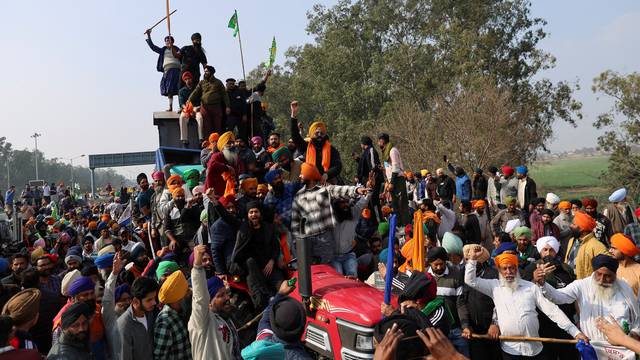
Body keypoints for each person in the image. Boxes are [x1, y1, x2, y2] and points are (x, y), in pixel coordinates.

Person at [465, 246, 587, 359]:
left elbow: (552, 311)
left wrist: (575, 333)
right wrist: (473, 259)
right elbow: (470, 281)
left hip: (534, 349)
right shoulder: (494, 286)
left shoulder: (531, 288)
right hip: (510, 350)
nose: (508, 272)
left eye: (512, 268)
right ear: (500, 271)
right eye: (505, 268)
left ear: (517, 269)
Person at [535, 254, 639, 348]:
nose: (602, 280)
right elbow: (558, 297)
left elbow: (637, 317)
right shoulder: (581, 285)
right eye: (599, 274)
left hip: (622, 348)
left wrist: (635, 333)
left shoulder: (624, 287)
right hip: (592, 347)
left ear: (615, 275)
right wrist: (542, 283)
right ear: (594, 272)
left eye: (607, 276)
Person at [291, 163, 369, 264]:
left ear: (309, 175)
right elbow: (296, 221)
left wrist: (357, 190)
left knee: (327, 268)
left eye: (302, 173)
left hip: (325, 238)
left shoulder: (324, 190)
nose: (300, 176)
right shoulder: (299, 196)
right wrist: (297, 241)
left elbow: (340, 190)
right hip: (308, 240)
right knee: (311, 270)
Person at [521, 236, 579, 360]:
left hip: (566, 321)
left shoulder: (565, 268)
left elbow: (575, 294)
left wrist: (578, 317)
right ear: (540, 251)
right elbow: (522, 293)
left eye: (551, 250)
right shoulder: (532, 268)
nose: (548, 253)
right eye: (545, 250)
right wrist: (534, 280)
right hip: (544, 323)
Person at [189, 245, 241, 360]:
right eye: (220, 296)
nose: (227, 298)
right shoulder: (202, 321)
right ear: (209, 302)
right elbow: (200, 298)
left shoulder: (225, 319)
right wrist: (197, 267)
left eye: (226, 293)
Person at [230, 202, 282, 309]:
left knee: (282, 286)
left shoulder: (268, 228)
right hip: (252, 270)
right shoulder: (244, 230)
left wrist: (272, 260)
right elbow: (227, 217)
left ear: (260, 213)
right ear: (248, 215)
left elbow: (275, 246)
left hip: (269, 266)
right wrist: (215, 203)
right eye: (251, 212)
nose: (254, 214)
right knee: (261, 298)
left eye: (256, 212)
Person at [243, 280, 311, 359]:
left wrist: (280, 293)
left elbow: (266, 317)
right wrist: (280, 294)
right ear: (303, 329)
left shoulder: (263, 340)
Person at [459, 245, 501, 359]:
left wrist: (495, 324)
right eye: (467, 259)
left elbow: (500, 302)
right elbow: (461, 302)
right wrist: (465, 325)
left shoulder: (493, 275)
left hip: (494, 332)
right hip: (474, 332)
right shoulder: (461, 274)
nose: (469, 263)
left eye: (473, 259)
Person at [426, 247, 469, 357]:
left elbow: (460, 303)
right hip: (436, 333)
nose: (439, 267)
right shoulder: (425, 277)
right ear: (430, 263)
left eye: (442, 264)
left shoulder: (456, 275)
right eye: (436, 265)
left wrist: (465, 326)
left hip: (455, 330)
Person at [289, 101, 342, 184]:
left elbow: (337, 166)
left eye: (322, 133)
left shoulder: (332, 149)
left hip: (326, 180)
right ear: (311, 135)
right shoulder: (306, 146)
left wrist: (326, 174)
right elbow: (295, 136)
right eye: (317, 133)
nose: (319, 135)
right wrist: (293, 115)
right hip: (309, 181)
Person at [117, 276, 158, 360]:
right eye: (149, 300)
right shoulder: (124, 325)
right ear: (136, 301)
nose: (154, 302)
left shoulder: (150, 313)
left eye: (154, 298)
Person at [154, 271, 191, 360]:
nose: (189, 293)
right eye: (186, 291)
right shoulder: (164, 322)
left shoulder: (180, 312)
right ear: (178, 298)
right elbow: (160, 357)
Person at [331, 191, 371, 277]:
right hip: (333, 257)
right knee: (338, 277)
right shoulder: (330, 217)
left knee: (352, 276)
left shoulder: (354, 214)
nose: (346, 204)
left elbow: (364, 201)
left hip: (348, 254)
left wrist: (369, 190)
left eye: (347, 202)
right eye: (342, 202)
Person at [187, 65, 231, 136]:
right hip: (205, 108)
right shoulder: (202, 82)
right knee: (207, 127)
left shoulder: (218, 82)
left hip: (216, 107)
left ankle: (217, 144)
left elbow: (224, 95)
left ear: (211, 72)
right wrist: (189, 100)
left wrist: (228, 106)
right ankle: (208, 144)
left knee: (217, 126)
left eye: (207, 71)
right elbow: (195, 92)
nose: (205, 73)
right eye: (204, 71)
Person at [145, 29, 181, 112]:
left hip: (176, 70)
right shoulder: (163, 50)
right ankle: (170, 106)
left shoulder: (178, 49)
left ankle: (181, 106)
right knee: (169, 89)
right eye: (166, 41)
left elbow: (180, 56)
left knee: (179, 88)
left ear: (172, 42)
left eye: (169, 40)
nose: (168, 42)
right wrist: (149, 35)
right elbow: (153, 47)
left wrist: (173, 48)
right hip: (167, 71)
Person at [565, 211, 608, 279]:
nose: (570, 226)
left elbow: (608, 267)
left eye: (573, 224)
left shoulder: (597, 246)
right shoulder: (571, 241)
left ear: (582, 229)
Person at [378, 133, 409, 225]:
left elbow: (396, 167)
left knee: (401, 205)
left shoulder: (392, 150)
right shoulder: (385, 153)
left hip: (398, 180)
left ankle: (406, 226)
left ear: (383, 141)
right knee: (395, 206)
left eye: (379, 141)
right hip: (392, 181)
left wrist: (392, 182)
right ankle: (399, 225)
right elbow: (390, 168)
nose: (378, 143)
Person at [178, 71, 204, 147]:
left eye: (189, 78)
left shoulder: (197, 89)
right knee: (182, 117)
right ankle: (185, 140)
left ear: (191, 79)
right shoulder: (182, 91)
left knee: (200, 118)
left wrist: (198, 108)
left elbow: (202, 100)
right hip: (186, 109)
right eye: (186, 79)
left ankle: (201, 139)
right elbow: (181, 103)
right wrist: (187, 109)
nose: (188, 80)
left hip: (197, 108)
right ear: (184, 81)